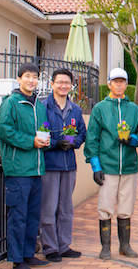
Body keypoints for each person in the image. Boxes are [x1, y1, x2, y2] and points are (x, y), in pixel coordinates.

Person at [84, 68, 138, 260]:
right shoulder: (100, 108)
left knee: (126, 207)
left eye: (122, 81)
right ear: (109, 83)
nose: (119, 85)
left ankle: (125, 245)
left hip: (128, 166)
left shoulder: (134, 109)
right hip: (107, 165)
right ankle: (106, 247)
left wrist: (132, 140)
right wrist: (95, 166)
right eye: (115, 81)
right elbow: (92, 138)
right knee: (105, 207)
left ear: (126, 84)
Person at [0, 62, 50, 269]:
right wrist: (31, 141)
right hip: (18, 169)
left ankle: (28, 254)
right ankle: (16, 259)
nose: (31, 80)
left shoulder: (39, 104)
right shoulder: (11, 103)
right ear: (19, 79)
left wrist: (46, 140)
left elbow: (43, 130)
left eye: (35, 76)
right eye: (27, 76)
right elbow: (5, 130)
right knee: (18, 217)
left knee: (32, 216)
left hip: (37, 168)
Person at [39, 68, 86, 262]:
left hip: (69, 165)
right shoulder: (43, 107)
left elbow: (82, 133)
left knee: (66, 207)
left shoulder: (75, 109)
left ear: (71, 86)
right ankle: (50, 247)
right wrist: (54, 143)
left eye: (67, 83)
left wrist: (74, 142)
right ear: (52, 84)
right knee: (48, 207)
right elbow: (40, 133)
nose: (63, 86)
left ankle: (64, 245)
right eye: (59, 82)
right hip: (50, 164)